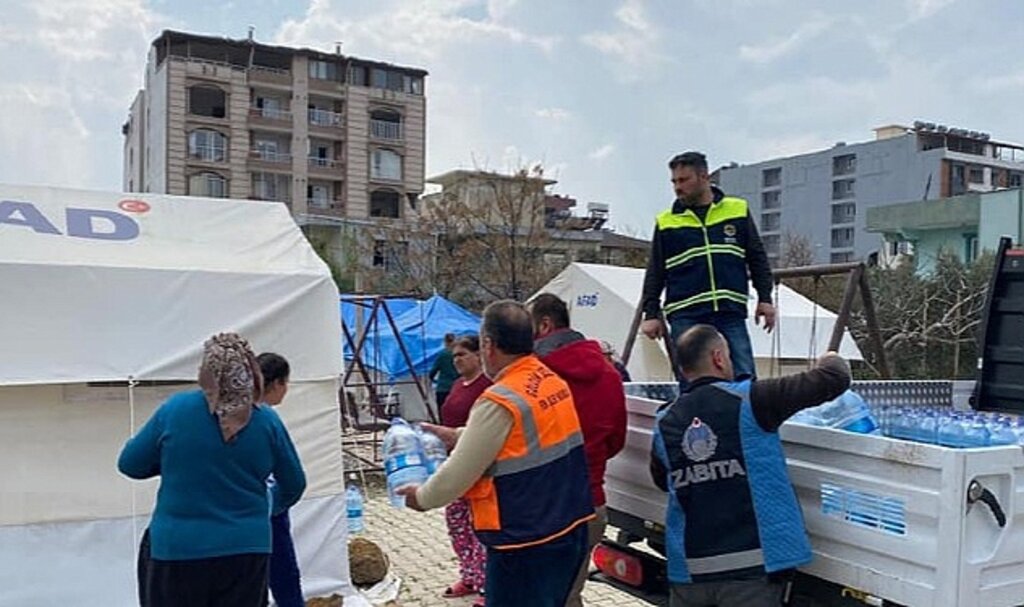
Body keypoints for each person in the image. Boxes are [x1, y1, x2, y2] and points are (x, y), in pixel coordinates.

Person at [398, 301, 595, 607]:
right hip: (569, 527)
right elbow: (526, 441)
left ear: (488, 345)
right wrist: (458, 436)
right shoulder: (549, 380)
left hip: (524, 541)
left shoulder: (500, 399)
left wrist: (421, 498)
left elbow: (458, 474)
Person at [649, 325, 850, 607]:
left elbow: (662, 479)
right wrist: (829, 358)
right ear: (719, 358)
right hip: (751, 573)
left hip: (690, 572)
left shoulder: (664, 419)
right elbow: (834, 378)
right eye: (729, 356)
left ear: (683, 369)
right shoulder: (752, 400)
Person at [119, 333, 306, 607]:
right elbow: (294, 484)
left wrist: (173, 465)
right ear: (249, 371)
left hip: (177, 548)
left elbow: (130, 465)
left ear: (205, 371)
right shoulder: (266, 420)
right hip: (246, 549)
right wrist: (266, 505)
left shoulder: (175, 410)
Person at [639, 151, 776, 383]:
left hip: (729, 310)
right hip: (685, 313)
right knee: (691, 380)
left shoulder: (737, 210)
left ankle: (745, 418)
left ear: (704, 177)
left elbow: (757, 257)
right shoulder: (667, 221)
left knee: (744, 374)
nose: (677, 187)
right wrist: (651, 313)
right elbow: (655, 272)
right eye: (674, 181)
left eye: (683, 180)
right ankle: (695, 418)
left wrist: (765, 298)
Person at [528, 294, 627, 607]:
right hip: (590, 504)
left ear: (544, 325)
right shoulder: (610, 374)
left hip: (541, 508)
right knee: (569, 595)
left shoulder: (534, 376)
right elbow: (616, 440)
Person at [438, 335, 492, 605]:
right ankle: (469, 575)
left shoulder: (489, 387)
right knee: (457, 524)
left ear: (479, 355)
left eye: (462, 354)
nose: (457, 360)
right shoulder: (459, 385)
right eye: (454, 355)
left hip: (479, 470)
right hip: (454, 467)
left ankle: (486, 586)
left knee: (480, 529)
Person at [258, 352, 305, 607]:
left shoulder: (222, 416)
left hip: (233, 513)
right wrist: (276, 504)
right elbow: (294, 480)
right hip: (267, 509)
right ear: (276, 383)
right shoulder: (266, 418)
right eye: (286, 383)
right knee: (284, 575)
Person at [430, 333, 459, 415]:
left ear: (445, 342)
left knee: (442, 412)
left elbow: (433, 371)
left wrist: (434, 381)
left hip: (442, 388)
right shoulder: (458, 354)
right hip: (456, 387)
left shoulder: (442, 355)